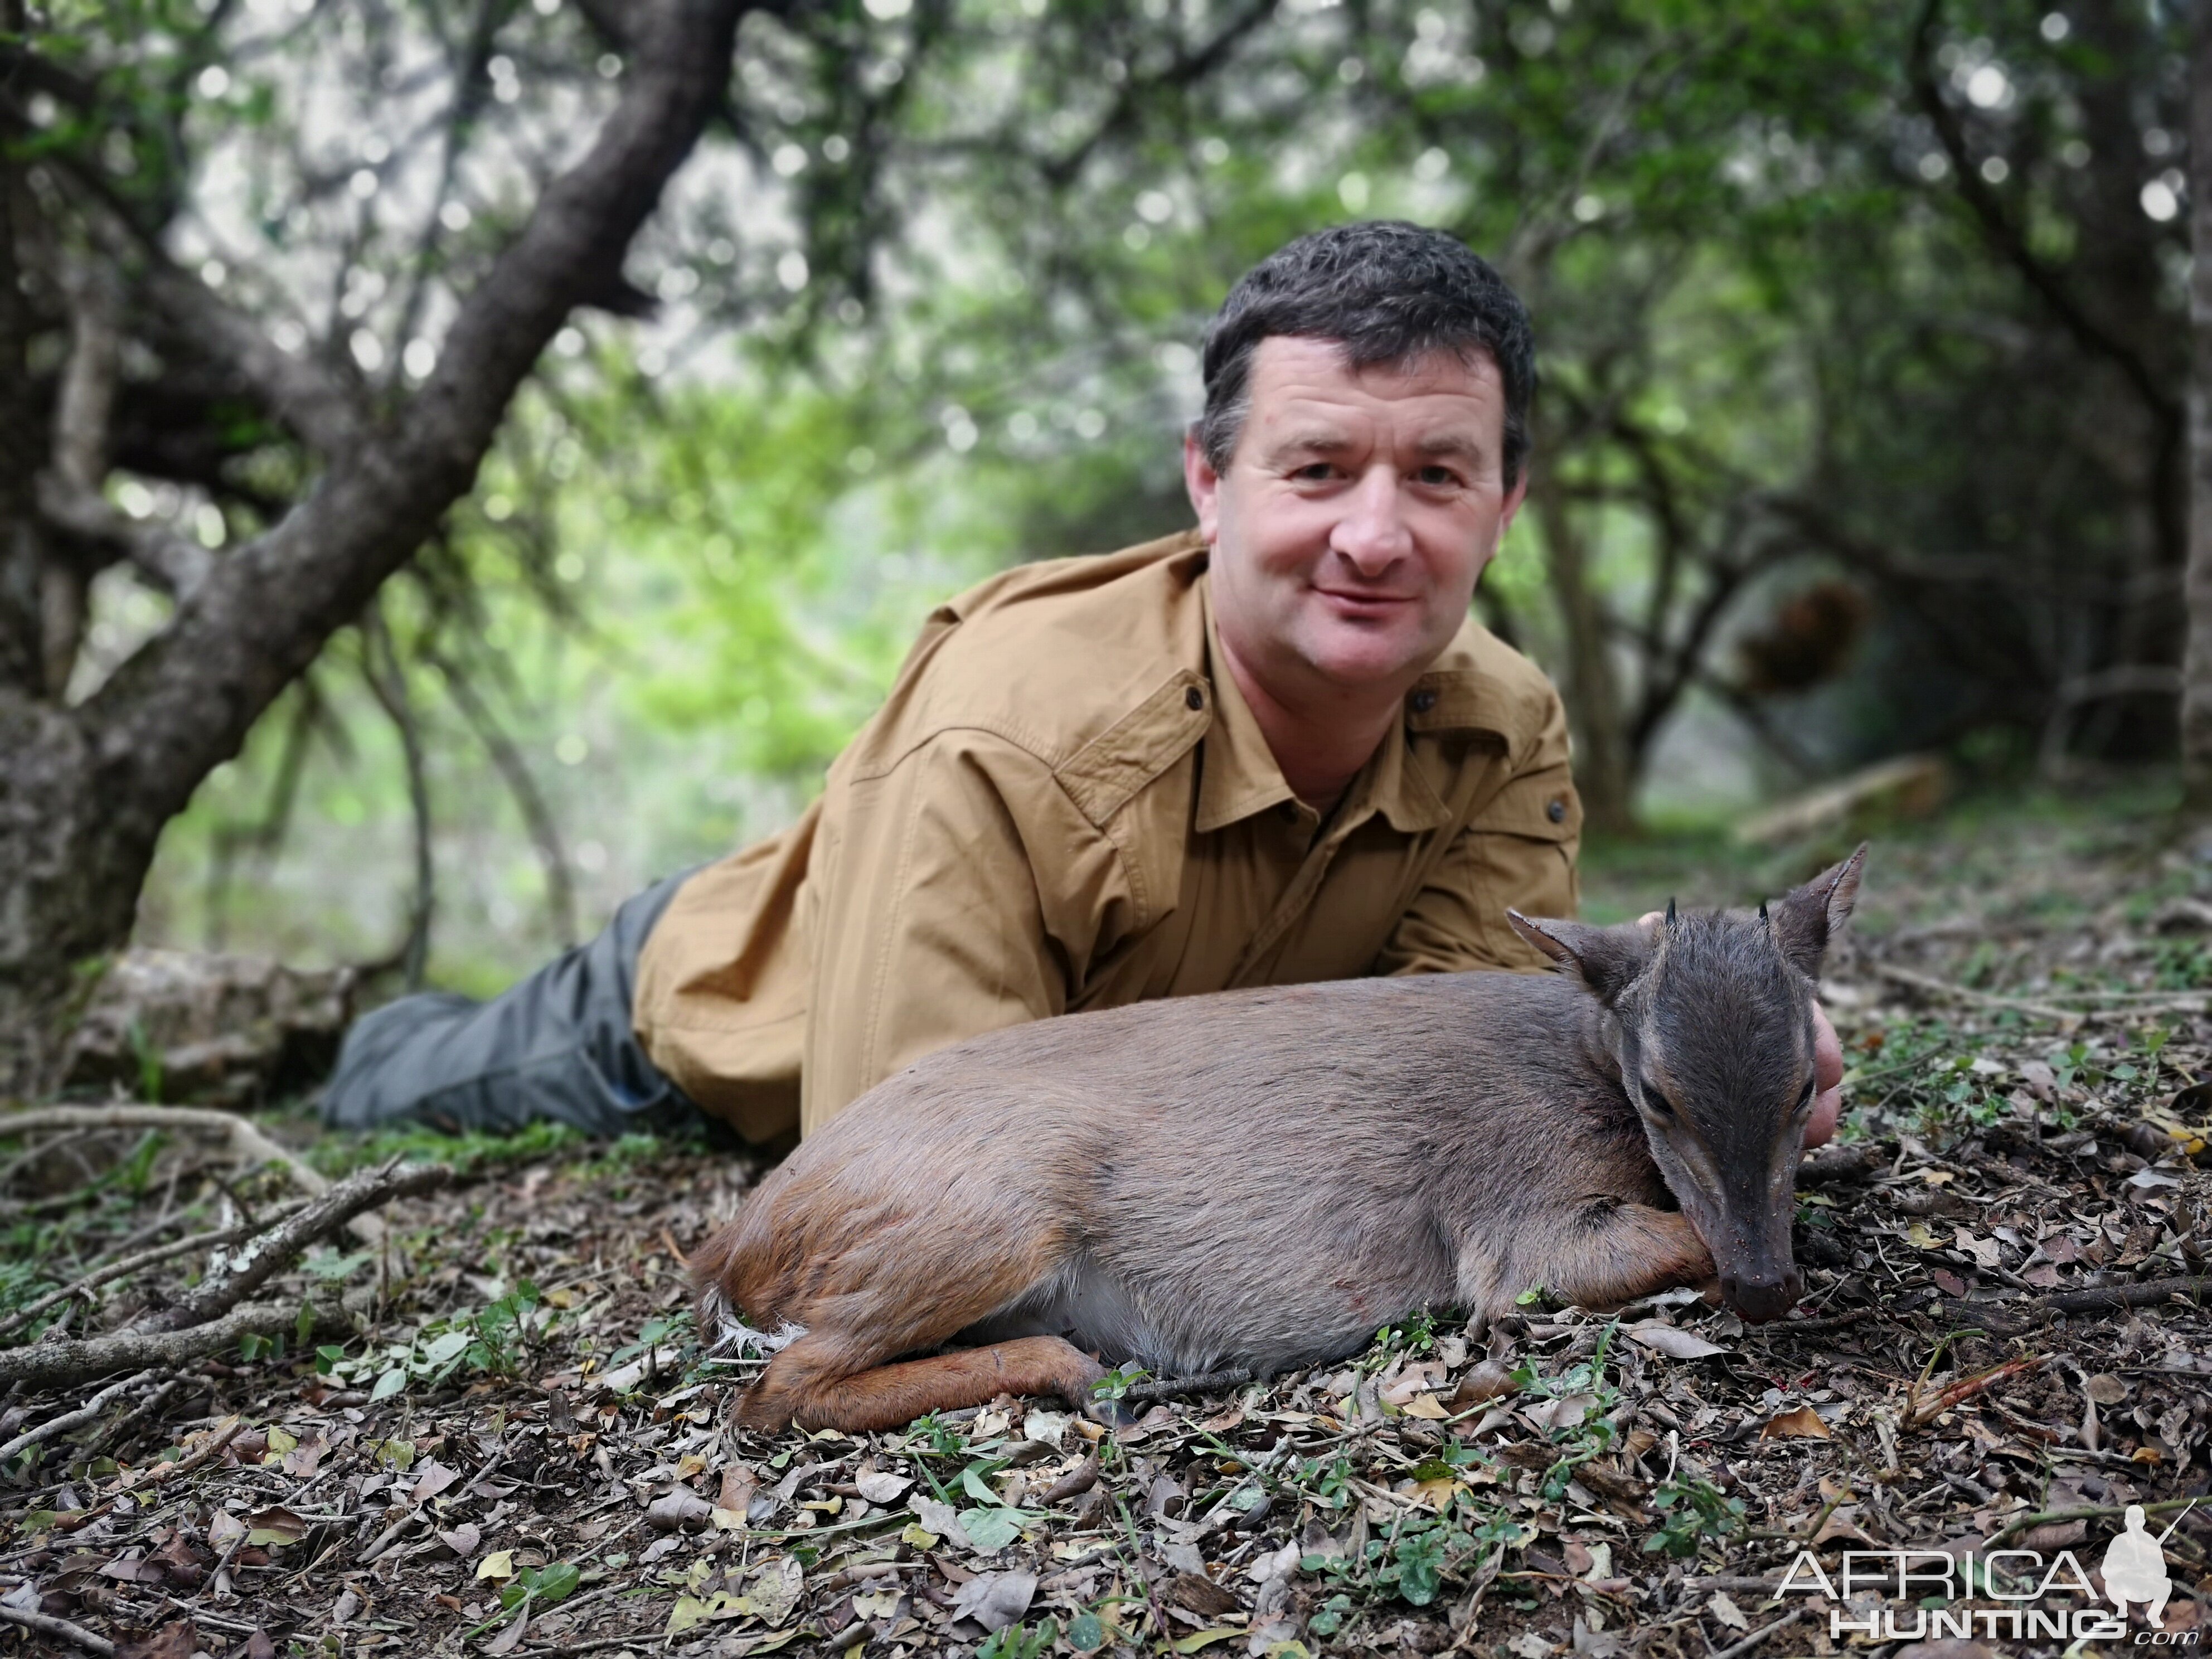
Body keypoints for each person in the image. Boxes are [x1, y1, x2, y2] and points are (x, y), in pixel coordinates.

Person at [321, 221, 1846, 1146]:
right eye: (1316, 468)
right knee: (392, 1083)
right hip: (702, 1009)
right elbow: (913, 1151)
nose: (1377, 537)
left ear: (1504, 508)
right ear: (1209, 482)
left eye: (1438, 474)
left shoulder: (1503, 719)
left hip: (1019, 1008)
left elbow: (1445, 1068)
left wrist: (1682, 1036)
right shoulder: (1010, 733)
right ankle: (331, 1028)